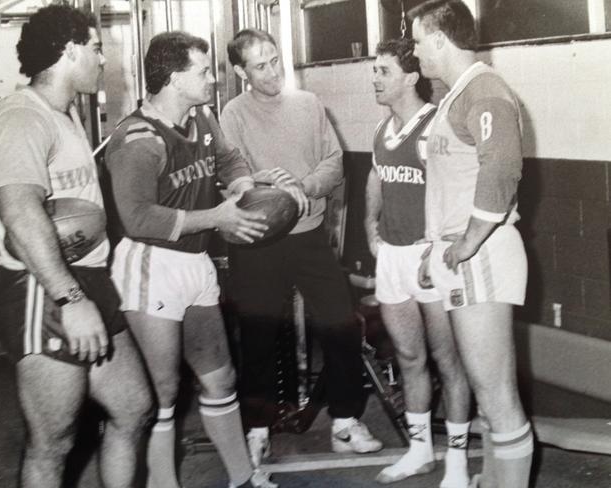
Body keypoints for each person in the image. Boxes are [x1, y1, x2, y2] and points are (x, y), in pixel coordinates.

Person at [105, 31, 291, 488]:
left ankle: (243, 478)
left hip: (195, 263)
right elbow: (136, 217)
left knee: (221, 378)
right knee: (164, 392)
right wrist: (217, 217)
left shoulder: (202, 118)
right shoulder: (138, 138)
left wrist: (248, 188)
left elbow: (228, 161)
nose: (212, 77)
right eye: (203, 71)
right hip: (152, 265)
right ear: (173, 78)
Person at [0, 5, 154, 488]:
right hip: (43, 288)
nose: (104, 59)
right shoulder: (21, 116)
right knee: (53, 442)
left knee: (133, 408)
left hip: (87, 280)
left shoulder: (66, 112)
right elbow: (19, 214)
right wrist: (70, 300)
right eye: (97, 49)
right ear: (70, 50)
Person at [221, 28, 383, 466]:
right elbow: (232, 173)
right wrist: (266, 184)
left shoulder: (309, 105)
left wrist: (304, 187)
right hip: (258, 239)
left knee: (341, 324)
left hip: (308, 236)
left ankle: (345, 423)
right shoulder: (232, 114)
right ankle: (256, 431)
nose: (273, 71)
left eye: (275, 59)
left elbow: (335, 163)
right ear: (241, 72)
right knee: (257, 336)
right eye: (260, 65)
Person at [410, 1, 534, 487]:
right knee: (489, 395)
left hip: (484, 254)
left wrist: (465, 243)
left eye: (419, 40)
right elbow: (454, 182)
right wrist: (433, 248)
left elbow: (500, 168)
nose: (415, 51)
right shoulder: (455, 94)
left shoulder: (484, 89)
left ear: (440, 39)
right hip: (465, 253)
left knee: (497, 395)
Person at [365, 38, 472, 487]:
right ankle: (420, 451)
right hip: (392, 256)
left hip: (430, 256)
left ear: (410, 78)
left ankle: (459, 463)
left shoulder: (436, 125)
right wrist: (370, 227)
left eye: (383, 71)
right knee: (409, 358)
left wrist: (437, 246)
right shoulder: (382, 130)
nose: (375, 78)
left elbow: (456, 190)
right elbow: (376, 174)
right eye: (375, 70)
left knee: (448, 361)